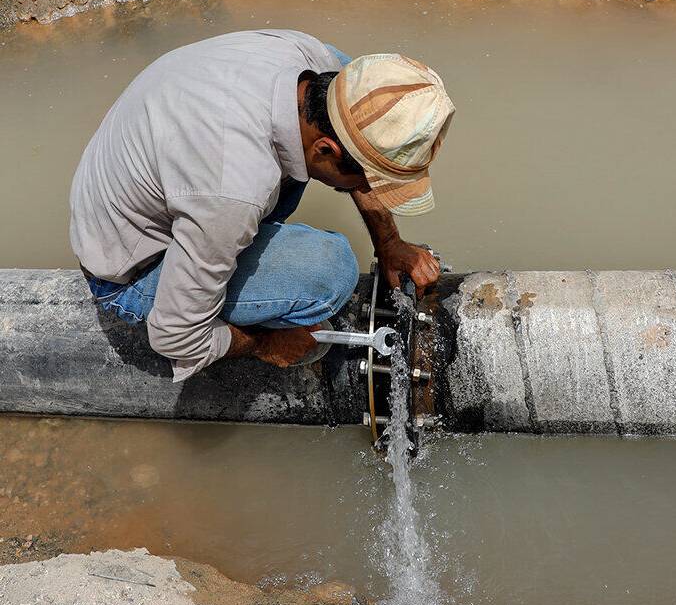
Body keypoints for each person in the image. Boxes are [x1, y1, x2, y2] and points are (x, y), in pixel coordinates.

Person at [69, 30, 454, 381]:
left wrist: (389, 243)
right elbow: (174, 337)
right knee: (330, 272)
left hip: (160, 177)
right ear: (326, 149)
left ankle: (213, 253)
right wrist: (265, 345)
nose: (375, 193)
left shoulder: (318, 64)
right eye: (372, 182)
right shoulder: (231, 188)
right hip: (132, 267)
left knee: (262, 206)